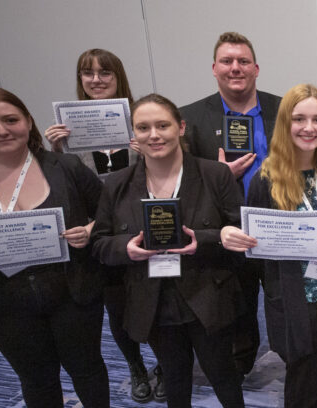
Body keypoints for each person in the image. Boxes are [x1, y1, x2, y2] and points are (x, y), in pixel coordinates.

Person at [0, 87, 109, 407]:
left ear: (28, 121)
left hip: (72, 291)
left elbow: (111, 214)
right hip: (1, 300)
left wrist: (90, 229)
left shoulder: (66, 167)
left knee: (87, 370)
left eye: (10, 119)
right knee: (36, 378)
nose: (0, 130)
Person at [91, 93, 245, 408]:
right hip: (152, 299)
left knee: (223, 376)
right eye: (144, 127)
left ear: (181, 127)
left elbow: (240, 233)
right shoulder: (117, 184)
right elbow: (100, 244)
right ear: (134, 134)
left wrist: (202, 239)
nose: (154, 135)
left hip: (208, 295)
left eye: (163, 125)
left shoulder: (215, 175)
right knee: (174, 381)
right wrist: (126, 249)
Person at [220, 84, 317, 408]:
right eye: (299, 119)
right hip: (294, 301)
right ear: (284, 124)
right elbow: (255, 258)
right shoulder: (266, 179)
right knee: (302, 382)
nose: (309, 128)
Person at [41, 47, 158, 403]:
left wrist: (152, 149)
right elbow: (67, 190)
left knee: (159, 303)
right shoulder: (67, 133)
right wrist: (56, 153)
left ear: (118, 76)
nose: (95, 80)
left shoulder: (143, 120)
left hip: (144, 226)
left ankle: (167, 365)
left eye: (104, 72)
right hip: (99, 234)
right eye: (87, 73)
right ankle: (137, 368)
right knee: (118, 310)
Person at [179, 31, 281, 375]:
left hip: (280, 225)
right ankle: (240, 368)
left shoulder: (284, 109)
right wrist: (216, 173)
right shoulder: (190, 118)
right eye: (227, 61)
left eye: (242, 61)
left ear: (256, 68)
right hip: (228, 231)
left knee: (285, 303)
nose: (235, 68)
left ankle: (292, 355)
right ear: (214, 68)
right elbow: (180, 181)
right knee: (239, 308)